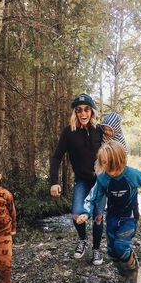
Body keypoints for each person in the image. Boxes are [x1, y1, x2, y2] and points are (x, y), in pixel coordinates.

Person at [76, 141, 141, 283]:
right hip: (113, 217)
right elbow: (93, 197)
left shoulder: (132, 174)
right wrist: (85, 212)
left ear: (122, 161)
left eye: (116, 168)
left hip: (129, 217)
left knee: (121, 247)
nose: (113, 172)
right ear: (102, 164)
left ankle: (134, 270)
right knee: (111, 251)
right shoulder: (102, 178)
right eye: (109, 168)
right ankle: (123, 274)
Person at [50, 93, 105, 266]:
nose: (83, 113)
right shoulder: (69, 132)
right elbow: (56, 157)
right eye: (79, 110)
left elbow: (116, 148)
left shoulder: (100, 130)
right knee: (76, 213)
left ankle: (96, 250)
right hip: (81, 180)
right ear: (75, 112)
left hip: (100, 181)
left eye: (87, 109)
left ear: (92, 112)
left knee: (98, 216)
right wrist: (54, 181)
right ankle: (82, 239)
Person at [100, 112, 140, 221]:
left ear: (116, 129)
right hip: (108, 169)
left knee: (128, 189)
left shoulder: (119, 139)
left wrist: (120, 168)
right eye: (105, 129)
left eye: (110, 130)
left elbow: (124, 154)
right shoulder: (103, 136)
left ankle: (134, 211)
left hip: (121, 168)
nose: (107, 132)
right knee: (111, 190)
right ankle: (112, 210)